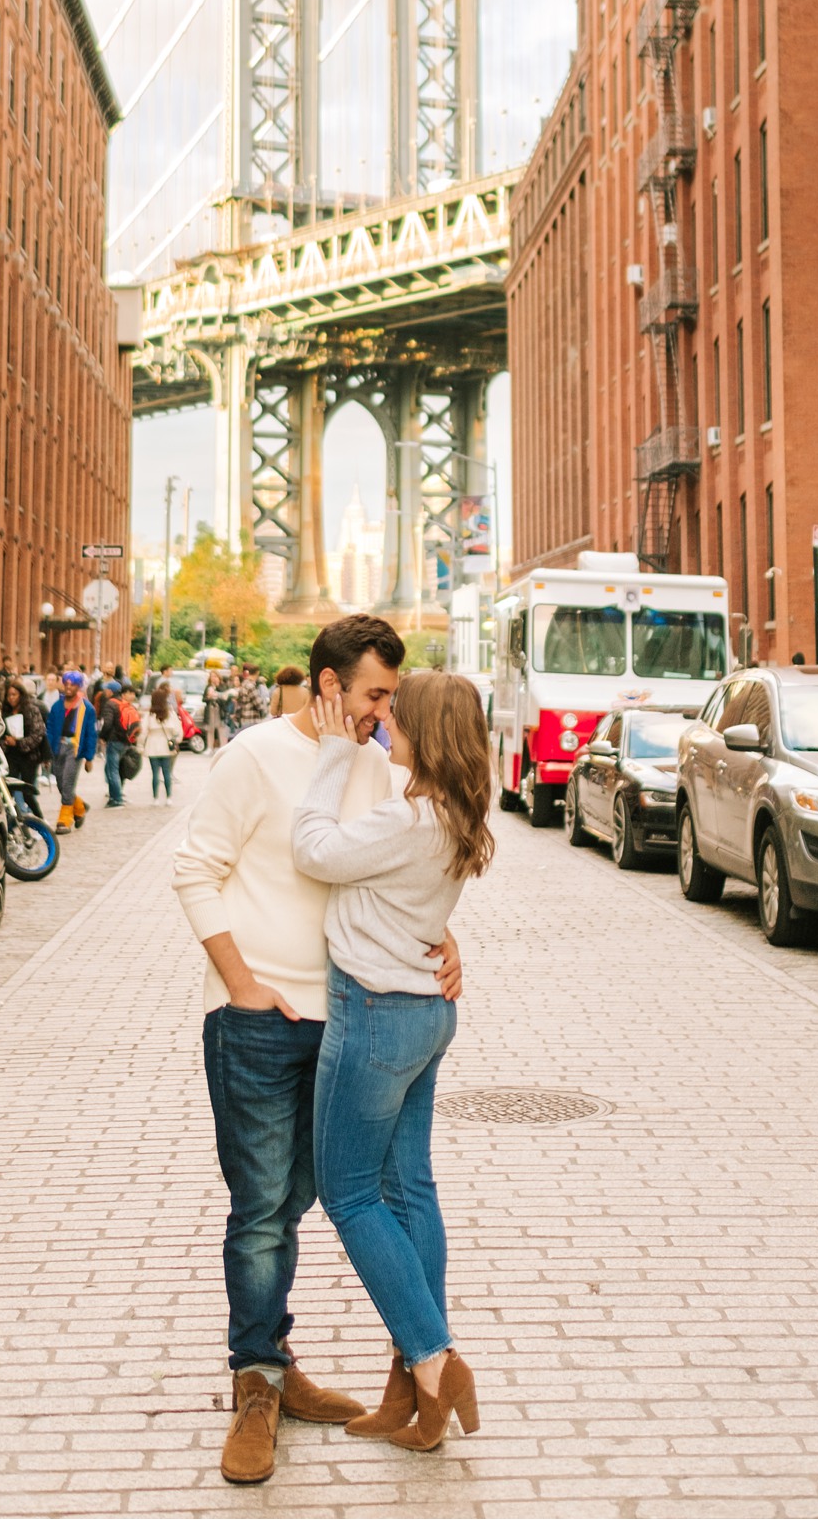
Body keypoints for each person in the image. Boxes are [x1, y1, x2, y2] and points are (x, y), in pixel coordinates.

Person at [172, 613, 461, 1487]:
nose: (385, 707)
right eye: (375, 691)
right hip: (260, 1019)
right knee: (262, 1205)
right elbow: (195, 868)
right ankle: (255, 1382)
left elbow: (402, 865)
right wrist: (241, 981)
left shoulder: (378, 762)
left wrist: (444, 940)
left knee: (304, 1196)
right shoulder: (253, 756)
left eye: (392, 696)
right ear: (331, 684)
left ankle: (287, 1362)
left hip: (350, 1015)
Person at [292, 668, 492, 1452]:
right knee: (410, 1186)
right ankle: (414, 1387)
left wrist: (336, 754)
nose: (385, 722)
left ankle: (435, 1359)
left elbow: (313, 849)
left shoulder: (407, 817)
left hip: (374, 1014)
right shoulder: (455, 810)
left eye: (397, 715)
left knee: (348, 1193)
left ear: (427, 731)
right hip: (425, 1014)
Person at [46, 670, 96, 832]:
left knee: (67, 783)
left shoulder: (87, 708)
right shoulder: (56, 706)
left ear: (78, 687)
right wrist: (47, 752)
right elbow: (50, 729)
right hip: (57, 747)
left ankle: (64, 820)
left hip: (74, 750)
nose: (68, 687)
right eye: (66, 684)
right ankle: (79, 807)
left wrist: (89, 758)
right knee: (61, 783)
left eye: (72, 684)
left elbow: (91, 733)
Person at [0, 679, 49, 816]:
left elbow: (38, 733)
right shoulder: (5, 712)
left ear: (21, 695)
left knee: (27, 793)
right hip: (11, 756)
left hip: (29, 756)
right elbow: (0, 733)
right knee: (8, 791)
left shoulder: (31, 710)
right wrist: (6, 742)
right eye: (9, 695)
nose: (11, 698)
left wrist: (19, 743)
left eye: (14, 694)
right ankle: (14, 822)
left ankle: (41, 820)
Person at [139, 682, 182, 800]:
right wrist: (177, 740)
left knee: (155, 774)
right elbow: (178, 730)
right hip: (166, 746)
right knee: (167, 773)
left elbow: (143, 732)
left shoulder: (150, 715)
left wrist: (140, 746)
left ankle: (155, 798)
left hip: (152, 745)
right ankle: (169, 798)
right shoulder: (170, 714)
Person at [95, 684, 130, 807]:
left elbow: (107, 723)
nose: (105, 692)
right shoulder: (124, 702)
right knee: (115, 769)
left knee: (112, 770)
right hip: (125, 740)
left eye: (106, 690)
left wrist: (102, 737)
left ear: (110, 691)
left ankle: (116, 798)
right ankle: (115, 795)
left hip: (114, 740)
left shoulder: (110, 704)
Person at [202, 667, 232, 752]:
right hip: (210, 709)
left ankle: (223, 747)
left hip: (220, 710)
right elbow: (204, 699)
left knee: (221, 728)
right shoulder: (208, 687)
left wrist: (216, 695)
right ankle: (209, 747)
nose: (213, 678)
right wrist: (209, 697)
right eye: (212, 676)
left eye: (215, 676)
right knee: (210, 729)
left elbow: (225, 698)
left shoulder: (222, 686)